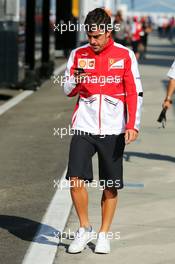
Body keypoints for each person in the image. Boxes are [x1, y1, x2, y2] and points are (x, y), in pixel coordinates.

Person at [63, 8, 143, 254]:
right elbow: (67, 90)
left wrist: (133, 125)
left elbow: (134, 93)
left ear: (109, 32)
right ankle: (84, 227)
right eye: (89, 36)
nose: (92, 41)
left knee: (109, 186)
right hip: (83, 127)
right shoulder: (78, 54)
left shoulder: (125, 54)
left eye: (97, 36)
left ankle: (103, 234)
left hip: (113, 129)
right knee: (75, 179)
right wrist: (76, 78)